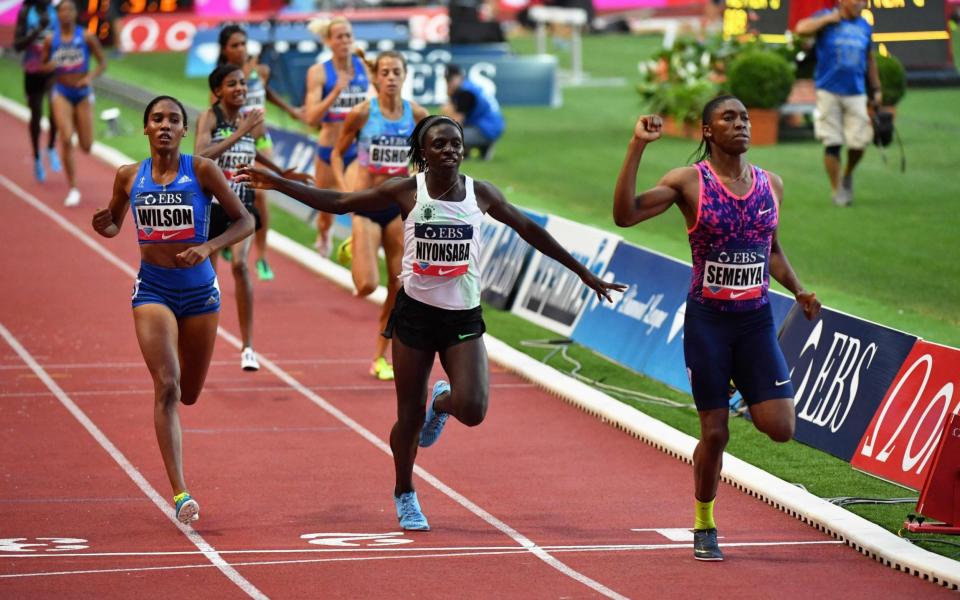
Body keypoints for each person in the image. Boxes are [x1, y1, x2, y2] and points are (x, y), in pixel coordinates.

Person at [238, 115, 625, 531]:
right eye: (439, 144)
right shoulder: (406, 191)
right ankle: (404, 491)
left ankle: (441, 403)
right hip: (416, 316)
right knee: (407, 416)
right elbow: (339, 202)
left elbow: (529, 229)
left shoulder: (482, 195)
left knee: (473, 409)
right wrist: (280, 184)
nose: (450, 150)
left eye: (455, 143)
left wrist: (583, 272)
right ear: (424, 153)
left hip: (462, 315)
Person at [612, 96, 822, 561]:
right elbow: (625, 214)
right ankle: (704, 522)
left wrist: (800, 289)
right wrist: (636, 147)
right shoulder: (689, 182)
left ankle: (746, 384)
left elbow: (772, 250)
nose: (741, 123)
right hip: (709, 323)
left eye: (745, 117)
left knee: (782, 427)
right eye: (729, 118)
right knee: (715, 434)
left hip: (754, 320)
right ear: (707, 131)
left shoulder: (772, 185)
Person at [91, 95, 254, 523]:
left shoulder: (201, 170)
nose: (165, 125)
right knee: (167, 385)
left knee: (190, 393)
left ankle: (180, 464)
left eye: (174, 120)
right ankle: (181, 492)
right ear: (145, 128)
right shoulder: (129, 176)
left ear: (184, 130)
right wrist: (103, 223)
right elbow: (113, 223)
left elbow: (245, 221)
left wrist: (208, 246)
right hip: (154, 291)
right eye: (157, 119)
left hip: (200, 294)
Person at [195, 63, 310, 372]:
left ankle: (247, 347)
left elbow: (254, 152)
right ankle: (201, 338)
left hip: (242, 208)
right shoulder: (209, 117)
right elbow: (202, 157)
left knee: (240, 264)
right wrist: (242, 132)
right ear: (218, 90)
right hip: (210, 208)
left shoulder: (251, 121)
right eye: (232, 84)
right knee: (207, 279)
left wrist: (282, 173)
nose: (241, 89)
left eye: (243, 83)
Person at [330, 50, 429, 381]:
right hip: (366, 205)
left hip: (398, 208)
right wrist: (346, 189)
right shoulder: (361, 113)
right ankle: (352, 246)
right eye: (384, 72)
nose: (390, 77)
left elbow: (426, 157)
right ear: (377, 78)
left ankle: (378, 357)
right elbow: (336, 152)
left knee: (400, 285)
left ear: (404, 76)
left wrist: (420, 178)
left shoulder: (417, 114)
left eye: (395, 72)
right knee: (367, 285)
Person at [217, 25, 303, 281]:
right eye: (235, 45)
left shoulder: (260, 70)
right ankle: (226, 239)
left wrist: (290, 109)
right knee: (230, 196)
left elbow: (267, 94)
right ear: (225, 49)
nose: (241, 49)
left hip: (261, 142)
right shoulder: (222, 76)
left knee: (263, 197)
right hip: (235, 144)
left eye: (243, 43)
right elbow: (217, 110)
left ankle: (262, 256)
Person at [795, 0, 882, 207]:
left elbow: (870, 59)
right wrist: (828, 19)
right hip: (828, 91)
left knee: (859, 143)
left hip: (856, 92)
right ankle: (837, 189)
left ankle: (847, 173)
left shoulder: (864, 26)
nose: (860, 4)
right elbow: (800, 29)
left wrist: (877, 88)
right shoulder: (826, 18)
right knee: (832, 142)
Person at [303, 17, 371, 257]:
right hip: (328, 150)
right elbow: (311, 117)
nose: (345, 41)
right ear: (329, 41)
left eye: (348, 36)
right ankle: (324, 233)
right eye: (339, 36)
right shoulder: (319, 72)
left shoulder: (365, 67)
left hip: (357, 150)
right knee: (326, 211)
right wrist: (336, 91)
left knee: (356, 202)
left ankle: (361, 254)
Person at [41, 0, 106, 207]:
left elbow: (102, 62)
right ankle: (73, 188)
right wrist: (49, 66)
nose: (66, 14)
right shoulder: (51, 40)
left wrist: (90, 77)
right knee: (66, 138)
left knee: (86, 146)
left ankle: (78, 122)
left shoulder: (86, 36)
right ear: (57, 15)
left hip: (83, 93)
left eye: (70, 10)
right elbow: (42, 66)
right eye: (63, 10)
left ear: (75, 13)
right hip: (61, 92)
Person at [13, 0, 61, 183]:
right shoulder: (26, 12)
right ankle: (37, 158)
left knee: (56, 107)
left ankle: (50, 146)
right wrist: (36, 31)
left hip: (53, 68)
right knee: (36, 113)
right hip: (33, 69)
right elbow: (17, 46)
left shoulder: (56, 10)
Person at [441, 64, 504, 160]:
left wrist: (447, 106)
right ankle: (479, 148)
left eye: (450, 80)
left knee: (448, 134)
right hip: (487, 125)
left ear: (460, 77)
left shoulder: (466, 93)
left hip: (486, 129)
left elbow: (456, 122)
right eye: (447, 80)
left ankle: (477, 148)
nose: (448, 83)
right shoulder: (467, 87)